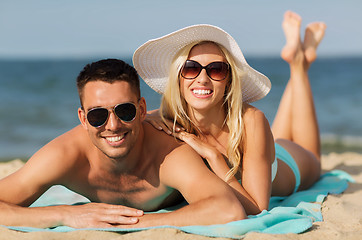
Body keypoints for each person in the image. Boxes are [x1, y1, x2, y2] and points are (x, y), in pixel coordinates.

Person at [0, 59, 245, 228]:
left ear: (141, 110)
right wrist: (65, 214)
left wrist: (133, 224)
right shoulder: (65, 155)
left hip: (245, 163)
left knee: (282, 152)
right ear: (83, 119)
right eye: (98, 115)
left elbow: (228, 209)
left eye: (125, 111)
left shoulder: (169, 155)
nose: (113, 125)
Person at [133, 11, 327, 215]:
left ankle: (299, 66)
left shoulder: (252, 120)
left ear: (229, 81)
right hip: (260, 151)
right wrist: (146, 119)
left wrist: (214, 157)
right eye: (191, 68)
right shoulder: (166, 119)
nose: (202, 78)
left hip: (290, 164)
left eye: (216, 69)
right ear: (178, 78)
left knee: (313, 156)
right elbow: (133, 120)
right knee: (273, 136)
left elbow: (258, 209)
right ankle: (298, 60)